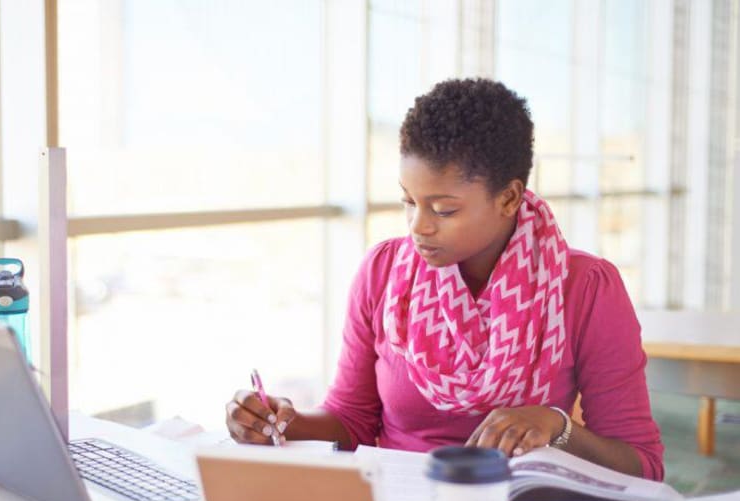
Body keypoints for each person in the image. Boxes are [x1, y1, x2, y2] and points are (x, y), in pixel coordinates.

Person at [225, 78, 664, 480]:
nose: (419, 227)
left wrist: (556, 426)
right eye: (409, 201)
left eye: (444, 210)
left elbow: (642, 465)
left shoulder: (583, 287)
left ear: (509, 197)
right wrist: (281, 422)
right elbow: (352, 421)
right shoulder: (383, 274)